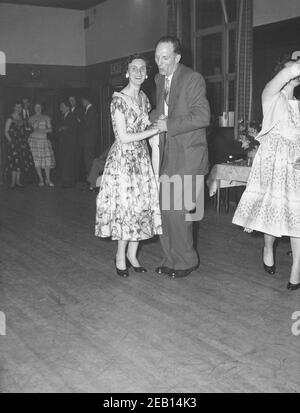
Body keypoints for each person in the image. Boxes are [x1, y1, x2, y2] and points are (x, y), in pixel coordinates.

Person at [232, 52, 300, 291]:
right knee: (274, 213)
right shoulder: (270, 95)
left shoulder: (298, 105)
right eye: (292, 69)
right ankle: (268, 247)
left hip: (296, 165)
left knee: (297, 215)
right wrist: (294, 65)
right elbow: (287, 73)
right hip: (274, 164)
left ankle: (296, 270)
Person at [95, 54, 162, 277]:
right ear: (127, 72)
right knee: (126, 209)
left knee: (140, 208)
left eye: (142, 68)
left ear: (147, 72)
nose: (138, 72)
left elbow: (147, 126)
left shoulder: (144, 97)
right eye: (134, 68)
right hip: (124, 160)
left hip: (141, 158)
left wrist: (157, 127)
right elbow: (123, 137)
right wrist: (153, 130)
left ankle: (133, 255)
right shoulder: (118, 100)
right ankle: (120, 256)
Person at [150, 36, 210, 279]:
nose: (159, 62)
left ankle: (187, 261)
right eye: (156, 57)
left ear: (177, 57)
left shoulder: (192, 78)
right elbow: (162, 111)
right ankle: (170, 259)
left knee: (180, 213)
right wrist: (148, 117)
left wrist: (168, 125)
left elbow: (202, 116)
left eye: (165, 58)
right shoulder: (158, 79)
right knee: (165, 212)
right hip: (167, 154)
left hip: (189, 156)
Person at [4, 102, 34, 188]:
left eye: (20, 107)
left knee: (20, 162)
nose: (18, 108)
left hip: (22, 143)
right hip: (13, 144)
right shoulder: (10, 118)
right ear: (13, 107)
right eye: (17, 107)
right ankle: (13, 182)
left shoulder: (21, 118)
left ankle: (18, 182)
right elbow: (5, 132)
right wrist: (11, 142)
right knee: (14, 162)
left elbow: (24, 130)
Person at [28, 102, 55, 187]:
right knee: (37, 161)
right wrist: (39, 121)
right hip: (34, 141)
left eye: (39, 107)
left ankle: (48, 179)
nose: (38, 108)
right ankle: (41, 179)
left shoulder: (47, 117)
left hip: (44, 140)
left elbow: (50, 129)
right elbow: (34, 128)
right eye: (36, 107)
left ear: (42, 108)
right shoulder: (31, 118)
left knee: (47, 161)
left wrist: (43, 130)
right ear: (34, 108)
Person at [57, 101, 78, 187]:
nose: (60, 109)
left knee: (68, 162)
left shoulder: (71, 116)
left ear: (67, 107)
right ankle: (66, 181)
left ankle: (68, 182)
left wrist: (61, 129)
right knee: (65, 162)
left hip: (69, 144)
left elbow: (67, 129)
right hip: (65, 143)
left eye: (62, 106)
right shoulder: (64, 116)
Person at [80, 95, 98, 180]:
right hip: (88, 140)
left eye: (83, 100)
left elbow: (87, 125)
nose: (82, 102)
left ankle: (92, 181)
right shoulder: (88, 110)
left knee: (89, 160)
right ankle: (91, 180)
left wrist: (80, 122)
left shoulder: (91, 111)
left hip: (89, 141)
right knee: (88, 160)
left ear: (87, 100)